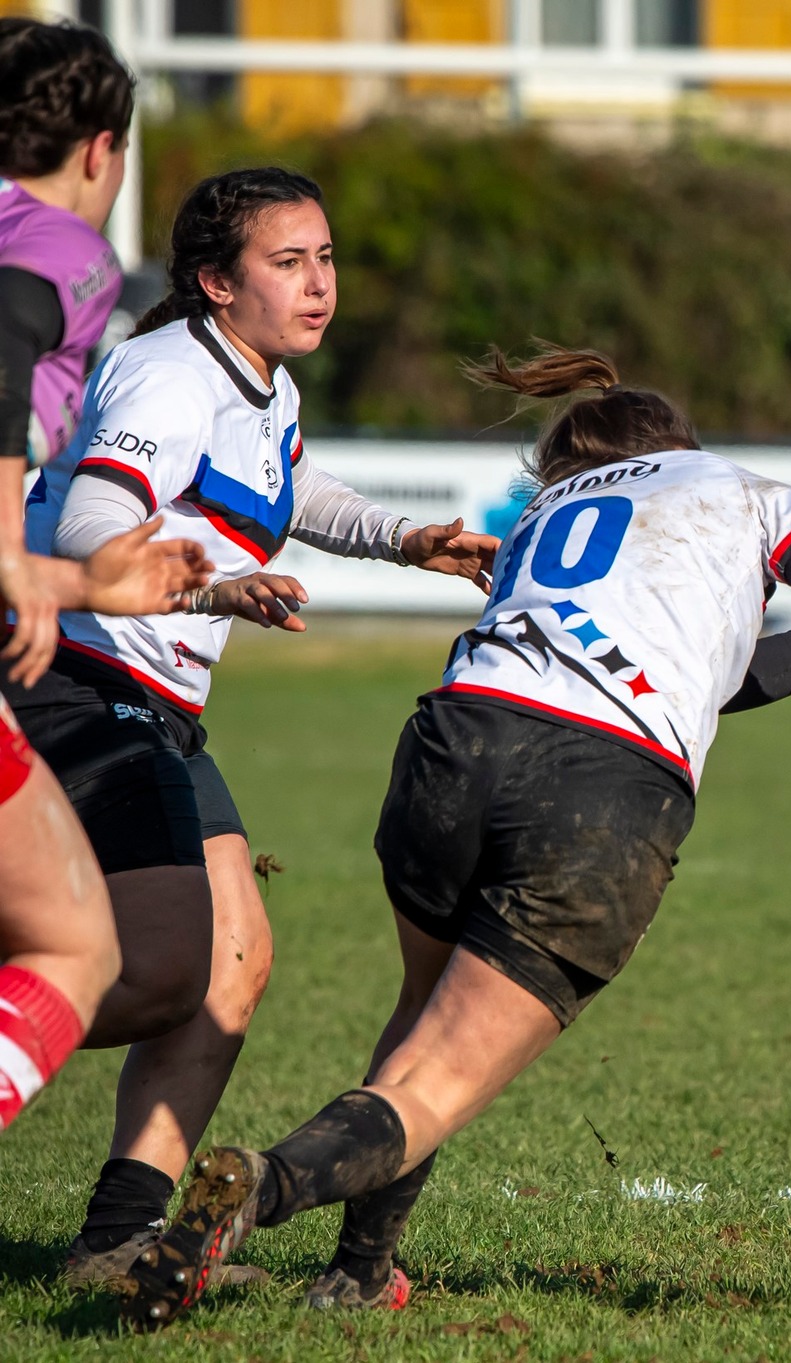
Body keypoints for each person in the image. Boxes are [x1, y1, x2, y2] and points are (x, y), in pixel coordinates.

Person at [121, 344, 791, 1328]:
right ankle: (259, 1188)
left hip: (452, 737)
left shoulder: (542, 516)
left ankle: (359, 1270)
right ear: (678, 443)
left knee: (422, 1013)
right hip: (599, 785)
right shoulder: (739, 487)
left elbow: (721, 681)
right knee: (441, 1078)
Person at [12, 166, 496, 1286]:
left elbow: (292, 484)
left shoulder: (257, 381)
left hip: (156, 703)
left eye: (326, 258)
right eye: (289, 264)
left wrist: (402, 539)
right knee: (153, 973)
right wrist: (210, 589)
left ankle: (115, 1238)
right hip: (74, 681)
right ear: (217, 284)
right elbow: (92, 524)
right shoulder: (172, 378)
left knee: (233, 965)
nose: (320, 285)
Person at [1, 528, 212, 1131]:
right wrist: (85, 582)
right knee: (78, 954)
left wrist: (85, 584)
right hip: (77, 693)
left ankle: (123, 1217)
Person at [0, 17, 135, 686]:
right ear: (98, 151)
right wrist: (9, 560)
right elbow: (8, 321)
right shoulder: (67, 247)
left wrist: (75, 583)